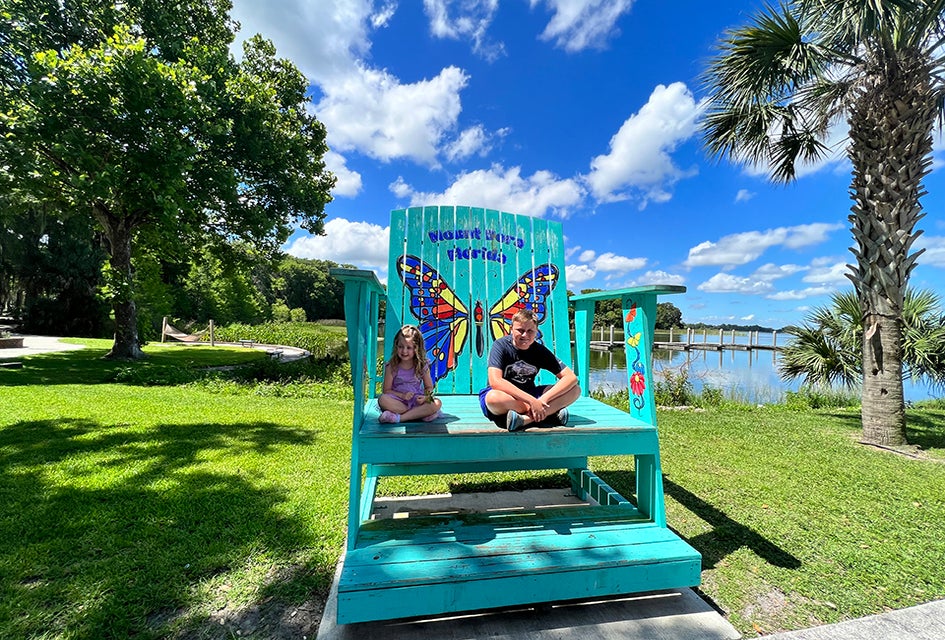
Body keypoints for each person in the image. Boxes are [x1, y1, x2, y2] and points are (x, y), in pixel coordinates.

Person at [479, 309, 580, 431]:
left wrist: (542, 400)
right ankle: (549, 413)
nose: (525, 335)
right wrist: (532, 402)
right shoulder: (500, 346)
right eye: (520, 330)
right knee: (493, 399)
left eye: (530, 331)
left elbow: (571, 377)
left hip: (531, 393)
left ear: (536, 331)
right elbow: (495, 381)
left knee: (575, 390)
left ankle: (525, 420)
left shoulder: (539, 351)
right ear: (511, 329)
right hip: (507, 396)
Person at [378, 324, 443, 423]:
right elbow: (386, 390)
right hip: (398, 401)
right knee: (382, 399)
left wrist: (426, 397)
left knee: (437, 403)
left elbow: (429, 387)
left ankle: (399, 418)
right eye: (400, 347)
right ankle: (419, 414)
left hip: (416, 400)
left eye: (409, 348)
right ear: (396, 346)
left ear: (416, 349)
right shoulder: (392, 366)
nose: (404, 351)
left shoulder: (422, 365)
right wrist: (402, 396)